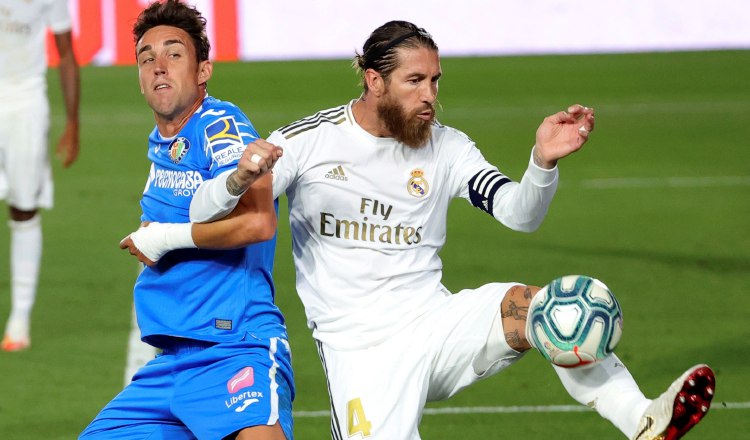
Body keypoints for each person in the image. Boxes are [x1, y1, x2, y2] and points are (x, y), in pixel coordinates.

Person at [120, 20, 715, 440]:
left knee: (543, 308)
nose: (430, 96)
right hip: (361, 354)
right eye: (415, 82)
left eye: (436, 81)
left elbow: (519, 214)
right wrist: (236, 177)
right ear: (373, 81)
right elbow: (204, 210)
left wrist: (542, 162)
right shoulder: (308, 142)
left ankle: (642, 419)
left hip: (435, 324)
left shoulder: (447, 148)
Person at [80, 1, 293, 439]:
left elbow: (259, 224)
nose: (159, 66)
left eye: (174, 54)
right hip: (170, 362)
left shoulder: (220, 125)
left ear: (203, 72)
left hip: (234, 346)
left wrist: (164, 238)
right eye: (146, 57)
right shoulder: (163, 142)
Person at [0, 0, 80, 352]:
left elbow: (65, 52)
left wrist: (73, 122)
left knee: (23, 208)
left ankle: (19, 317)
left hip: (26, 103)